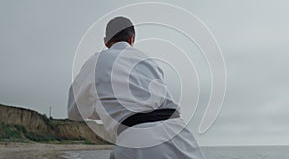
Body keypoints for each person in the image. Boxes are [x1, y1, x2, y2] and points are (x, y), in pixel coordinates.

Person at [68, 16, 204, 159]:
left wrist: (104, 108)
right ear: (132, 39)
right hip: (179, 132)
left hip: (136, 137)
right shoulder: (149, 60)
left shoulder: (94, 63)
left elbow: (74, 111)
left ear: (106, 42)